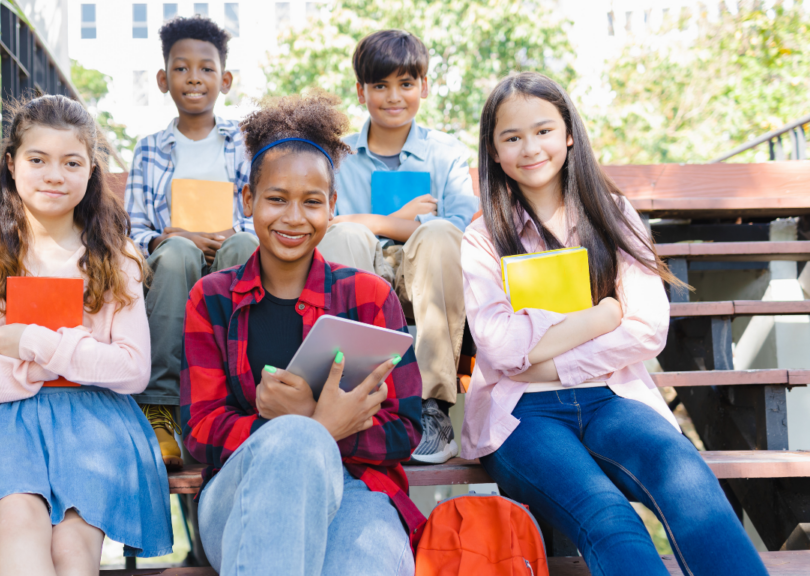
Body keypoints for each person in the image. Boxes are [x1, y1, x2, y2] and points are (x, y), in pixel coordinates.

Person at [461, 72, 768, 576]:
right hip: (520, 415)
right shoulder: (482, 238)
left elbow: (647, 327)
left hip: (613, 397)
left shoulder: (613, 214)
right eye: (511, 138)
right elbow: (498, 347)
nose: (530, 148)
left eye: (542, 131)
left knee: (689, 481)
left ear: (568, 135)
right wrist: (601, 316)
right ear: (494, 152)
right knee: (608, 518)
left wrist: (547, 361)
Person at [0, 95, 173, 574]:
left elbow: (133, 369)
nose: (54, 175)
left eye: (71, 162)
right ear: (12, 164)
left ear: (90, 171)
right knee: (20, 540)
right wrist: (36, 370)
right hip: (3, 420)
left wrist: (38, 342)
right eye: (38, 160)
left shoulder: (115, 257)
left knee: (73, 557)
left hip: (96, 425)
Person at [181, 92, 424, 576]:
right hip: (243, 489)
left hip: (358, 488)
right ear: (248, 199)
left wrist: (311, 422)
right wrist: (310, 430)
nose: (294, 218)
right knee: (293, 440)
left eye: (312, 202)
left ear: (332, 206)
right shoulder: (212, 297)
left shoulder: (370, 296)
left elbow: (405, 428)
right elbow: (200, 431)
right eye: (276, 199)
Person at [321, 29, 478, 464]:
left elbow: (460, 226)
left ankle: (435, 408)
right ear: (361, 91)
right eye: (380, 86)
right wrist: (397, 220)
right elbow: (330, 226)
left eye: (406, 84)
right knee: (345, 237)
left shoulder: (444, 152)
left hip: (424, 271)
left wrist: (378, 222)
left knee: (441, 234)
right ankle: (353, 392)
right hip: (365, 268)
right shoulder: (338, 156)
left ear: (423, 87)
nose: (393, 96)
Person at [127, 15, 259, 470]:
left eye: (205, 68)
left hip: (229, 257)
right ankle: (161, 407)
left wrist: (233, 233)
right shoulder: (149, 149)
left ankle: (243, 396)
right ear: (164, 80)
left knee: (244, 249)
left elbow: (260, 213)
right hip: (173, 266)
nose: (194, 78)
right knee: (178, 252)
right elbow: (134, 229)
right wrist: (169, 235)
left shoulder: (244, 144)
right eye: (181, 69)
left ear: (224, 79)